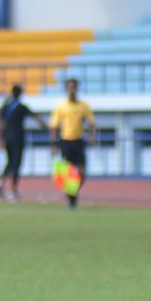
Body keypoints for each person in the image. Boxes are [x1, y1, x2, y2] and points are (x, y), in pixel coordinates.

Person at [48, 78, 95, 209]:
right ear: (66, 89)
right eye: (69, 87)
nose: (72, 90)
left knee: (82, 172)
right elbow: (54, 126)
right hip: (65, 141)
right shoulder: (61, 106)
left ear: (77, 88)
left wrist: (92, 136)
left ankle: (73, 194)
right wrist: (53, 144)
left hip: (78, 141)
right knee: (68, 173)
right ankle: (71, 199)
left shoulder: (83, 106)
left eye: (74, 87)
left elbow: (91, 122)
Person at [0, 84, 41, 202]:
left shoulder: (6, 107)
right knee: (17, 163)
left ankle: (0, 182)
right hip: (18, 138)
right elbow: (35, 117)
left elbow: (0, 124)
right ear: (20, 94)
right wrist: (46, 127)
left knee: (9, 162)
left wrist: (1, 139)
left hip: (7, 137)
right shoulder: (21, 107)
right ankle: (13, 190)